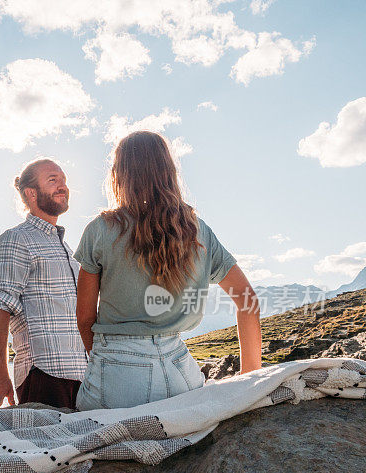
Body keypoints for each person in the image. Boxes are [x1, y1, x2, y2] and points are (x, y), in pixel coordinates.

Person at [73, 131, 261, 410]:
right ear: (168, 171)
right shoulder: (198, 230)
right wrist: (249, 379)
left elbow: (85, 318)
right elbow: (248, 302)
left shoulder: (100, 230)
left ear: (120, 174)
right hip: (181, 373)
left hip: (116, 374)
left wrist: (106, 360)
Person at [0, 159, 88, 410]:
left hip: (82, 377)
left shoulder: (66, 247)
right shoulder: (15, 239)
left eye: (64, 180)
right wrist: (0, 376)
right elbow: (0, 308)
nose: (62, 186)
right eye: (53, 180)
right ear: (31, 193)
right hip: (44, 375)